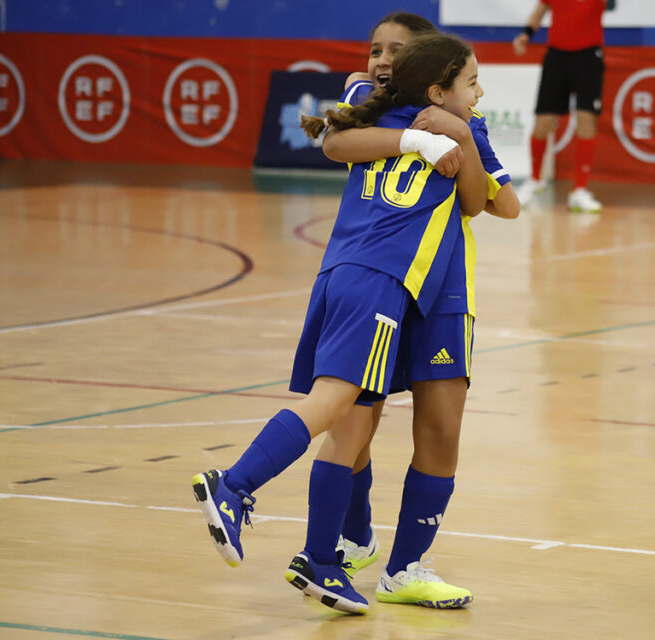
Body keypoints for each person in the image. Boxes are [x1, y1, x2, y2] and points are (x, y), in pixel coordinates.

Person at [191, 33, 495, 615]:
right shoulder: (410, 120)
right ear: (437, 89)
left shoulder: (375, 111)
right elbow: (478, 202)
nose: (479, 92)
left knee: (349, 424)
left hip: (342, 271)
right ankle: (233, 486)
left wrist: (449, 134)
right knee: (335, 400)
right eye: (471, 82)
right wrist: (441, 138)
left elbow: (340, 141)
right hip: (383, 279)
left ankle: (322, 561)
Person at [319, 16, 519, 609]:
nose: (383, 60)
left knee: (440, 426)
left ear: (428, 70)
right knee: (356, 420)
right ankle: (351, 539)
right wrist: (415, 139)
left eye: (397, 52)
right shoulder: (362, 96)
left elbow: (498, 204)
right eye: (376, 49)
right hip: (381, 282)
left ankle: (405, 568)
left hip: (445, 290)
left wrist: (458, 133)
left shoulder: (465, 121)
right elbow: (333, 142)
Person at [513, 0, 607, 213]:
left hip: (589, 57)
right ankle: (535, 180)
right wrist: (526, 33)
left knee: (586, 119)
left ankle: (579, 190)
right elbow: (540, 9)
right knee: (542, 122)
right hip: (557, 57)